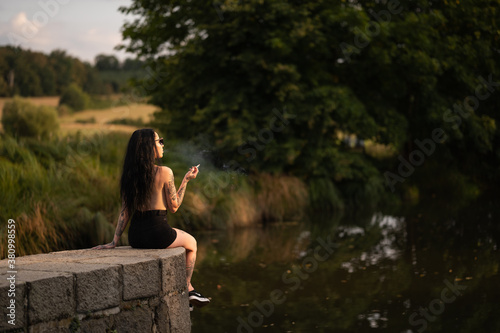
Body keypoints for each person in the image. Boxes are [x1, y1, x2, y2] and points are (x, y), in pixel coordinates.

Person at [92, 128, 210, 308]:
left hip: (136, 237)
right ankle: (188, 288)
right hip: (158, 233)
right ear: (149, 147)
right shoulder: (165, 172)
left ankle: (190, 291)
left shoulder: (129, 176)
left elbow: (125, 212)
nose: (162, 144)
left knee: (186, 241)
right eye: (159, 141)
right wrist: (185, 181)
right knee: (192, 243)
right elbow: (174, 207)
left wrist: (114, 241)